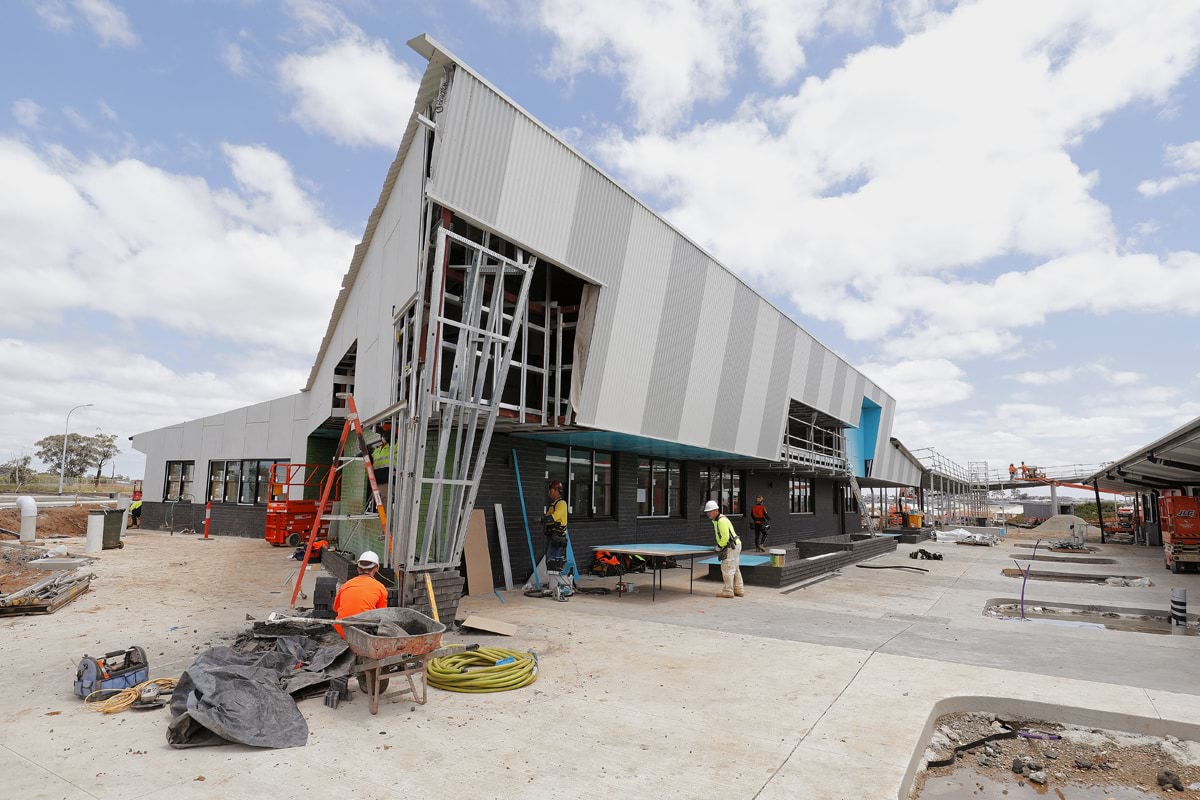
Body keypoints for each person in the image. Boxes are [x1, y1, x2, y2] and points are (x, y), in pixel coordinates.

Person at [332, 550, 388, 638]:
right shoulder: (380, 587)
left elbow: (336, 608)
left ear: (358, 569)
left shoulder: (346, 585)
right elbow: (382, 614)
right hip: (364, 633)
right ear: (376, 568)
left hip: (343, 630)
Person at [704, 500, 743, 598]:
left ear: (715, 510)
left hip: (730, 546)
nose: (708, 514)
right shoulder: (719, 520)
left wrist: (719, 547)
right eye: (707, 512)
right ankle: (739, 590)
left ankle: (728, 592)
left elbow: (725, 537)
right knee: (735, 568)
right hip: (735, 545)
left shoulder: (721, 520)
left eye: (709, 512)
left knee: (727, 568)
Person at [542, 480, 570, 601]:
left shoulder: (561, 504)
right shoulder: (553, 504)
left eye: (551, 490)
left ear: (555, 490)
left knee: (553, 560)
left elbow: (555, 516)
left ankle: (557, 586)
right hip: (551, 535)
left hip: (557, 537)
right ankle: (553, 584)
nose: (549, 493)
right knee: (550, 559)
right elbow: (548, 515)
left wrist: (545, 519)